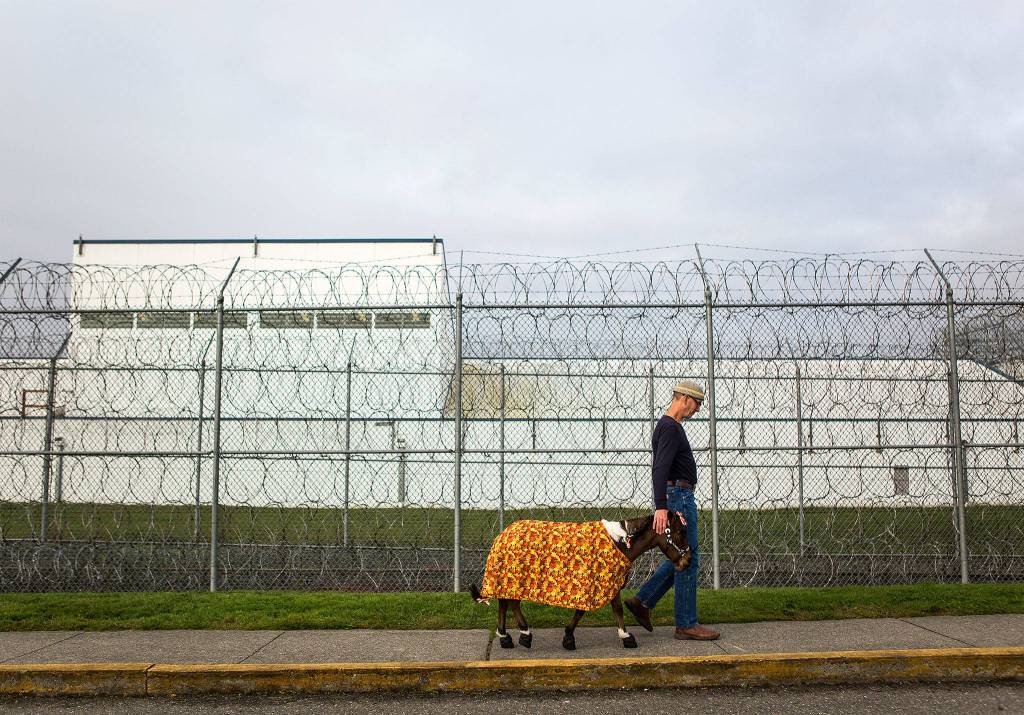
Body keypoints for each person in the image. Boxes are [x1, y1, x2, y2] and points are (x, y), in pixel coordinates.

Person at [624, 379, 720, 640]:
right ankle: (686, 623)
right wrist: (661, 507)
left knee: (683, 556)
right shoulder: (670, 427)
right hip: (678, 496)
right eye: (697, 403)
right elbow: (659, 467)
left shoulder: (671, 427)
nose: (698, 409)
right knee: (688, 557)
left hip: (678, 494)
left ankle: (643, 601)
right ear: (684, 399)